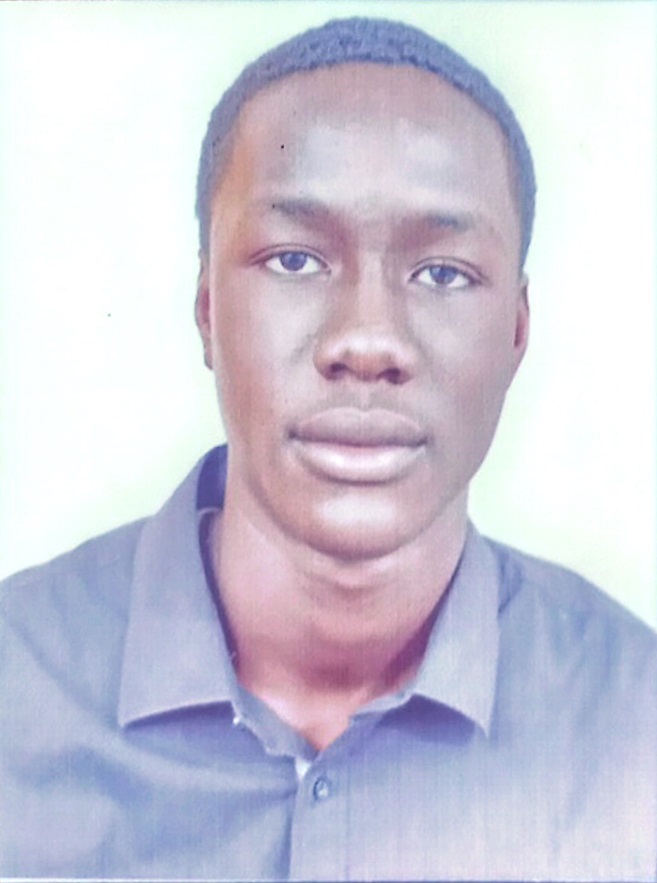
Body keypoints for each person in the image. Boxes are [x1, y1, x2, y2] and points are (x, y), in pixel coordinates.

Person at [1, 16, 655, 882]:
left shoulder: (635, 727)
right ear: (206, 308)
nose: (367, 340)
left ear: (516, 332)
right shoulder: (16, 683)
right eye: (295, 260)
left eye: (443, 273)